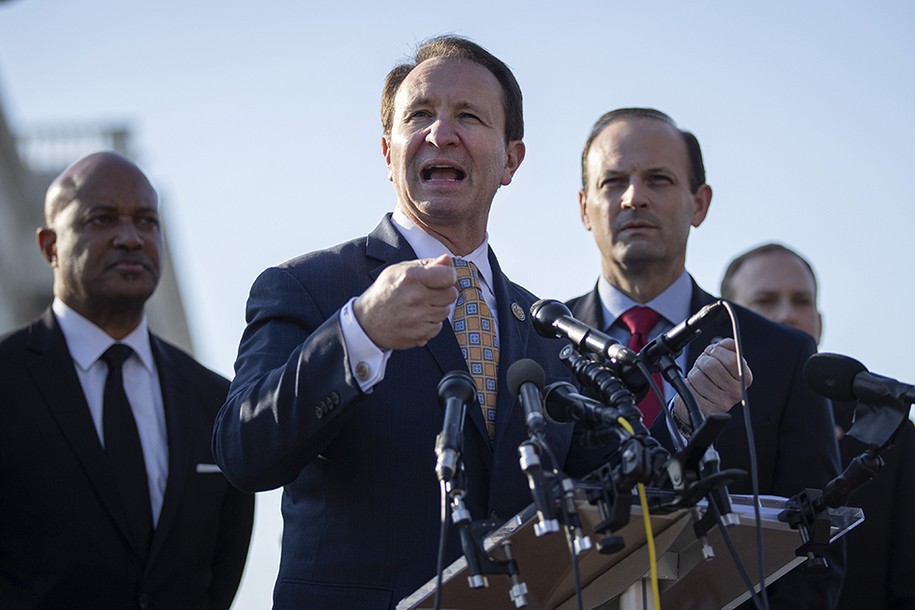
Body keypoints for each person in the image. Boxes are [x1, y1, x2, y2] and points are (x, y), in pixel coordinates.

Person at [213, 36, 615, 610]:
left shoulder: (544, 328)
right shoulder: (310, 288)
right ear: (387, 151)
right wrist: (359, 334)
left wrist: (683, 411)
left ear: (511, 159)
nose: (440, 133)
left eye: (468, 117)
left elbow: (604, 483)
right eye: (419, 116)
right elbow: (242, 450)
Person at [568, 108, 844, 607]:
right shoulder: (542, 346)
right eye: (613, 182)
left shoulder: (780, 354)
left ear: (700, 203)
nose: (634, 197)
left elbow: (816, 544)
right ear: (585, 208)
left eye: (658, 179)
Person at [0, 151, 254, 609]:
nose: (130, 238)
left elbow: (221, 569)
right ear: (49, 246)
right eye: (102, 220)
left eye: (146, 221)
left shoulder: (214, 400)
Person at [722, 242, 915, 609]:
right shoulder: (702, 426)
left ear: (820, 322)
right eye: (764, 301)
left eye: (801, 301)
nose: (786, 315)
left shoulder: (889, 433)